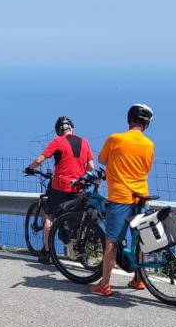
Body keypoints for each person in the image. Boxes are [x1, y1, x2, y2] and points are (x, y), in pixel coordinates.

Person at [90, 104, 155, 297]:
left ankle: (105, 285)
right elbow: (146, 169)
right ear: (146, 124)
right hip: (142, 196)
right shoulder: (149, 145)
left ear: (129, 120)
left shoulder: (115, 139)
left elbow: (101, 159)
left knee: (112, 242)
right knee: (142, 239)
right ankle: (139, 279)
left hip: (120, 197)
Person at [25, 116, 95, 264]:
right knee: (78, 218)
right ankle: (80, 250)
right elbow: (91, 167)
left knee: (49, 216)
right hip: (79, 186)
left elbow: (39, 160)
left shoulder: (57, 141)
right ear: (72, 128)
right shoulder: (85, 142)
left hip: (60, 186)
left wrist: (30, 169)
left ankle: (48, 252)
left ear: (59, 130)